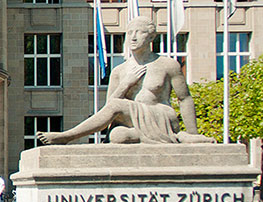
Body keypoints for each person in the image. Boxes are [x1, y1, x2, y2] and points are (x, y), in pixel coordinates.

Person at [36, 16, 214, 145]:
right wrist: (126, 84)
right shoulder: (119, 71)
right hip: (132, 121)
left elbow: (185, 99)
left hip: (161, 116)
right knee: (118, 136)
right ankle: (149, 137)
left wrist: (193, 133)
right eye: (129, 33)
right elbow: (109, 109)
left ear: (151, 37)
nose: (133, 37)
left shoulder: (167, 65)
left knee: (117, 108)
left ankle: (67, 136)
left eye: (139, 32)